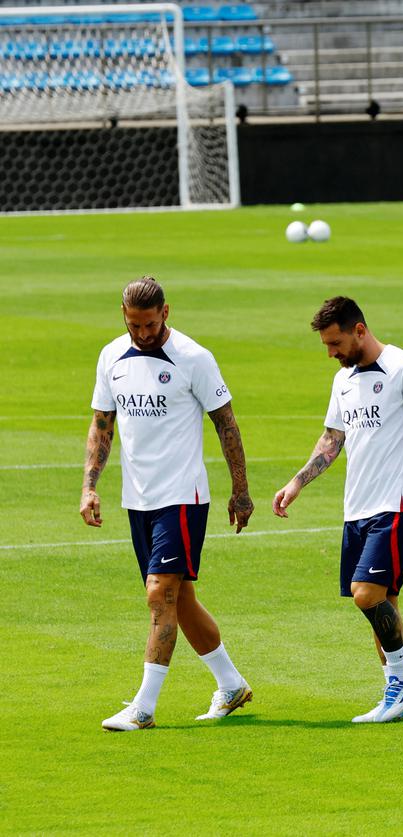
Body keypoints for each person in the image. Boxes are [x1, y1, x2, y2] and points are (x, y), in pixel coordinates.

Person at [81, 276, 254, 732]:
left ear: (167, 313)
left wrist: (241, 490)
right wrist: (90, 486)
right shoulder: (111, 357)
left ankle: (144, 707)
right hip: (137, 499)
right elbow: (102, 425)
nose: (143, 333)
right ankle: (231, 683)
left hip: (183, 496)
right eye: (135, 325)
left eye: (151, 324)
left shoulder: (194, 358)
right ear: (124, 316)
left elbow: (227, 425)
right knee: (180, 600)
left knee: (160, 594)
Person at [272, 297, 403, 723]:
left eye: (335, 343)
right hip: (358, 507)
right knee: (383, 602)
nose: (331, 353)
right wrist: (297, 483)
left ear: (360, 331)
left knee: (367, 595)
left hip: (397, 504)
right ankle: (398, 697)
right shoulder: (344, 380)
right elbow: (333, 438)